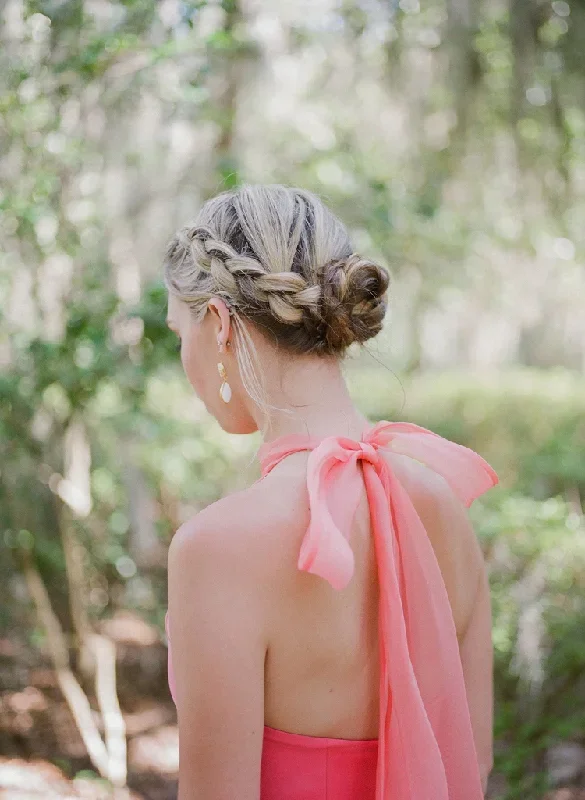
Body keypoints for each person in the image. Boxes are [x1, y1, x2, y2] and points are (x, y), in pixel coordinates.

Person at [163, 184, 498, 800]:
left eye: (177, 329)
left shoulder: (215, 550)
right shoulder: (444, 502)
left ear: (217, 322)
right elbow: (471, 765)